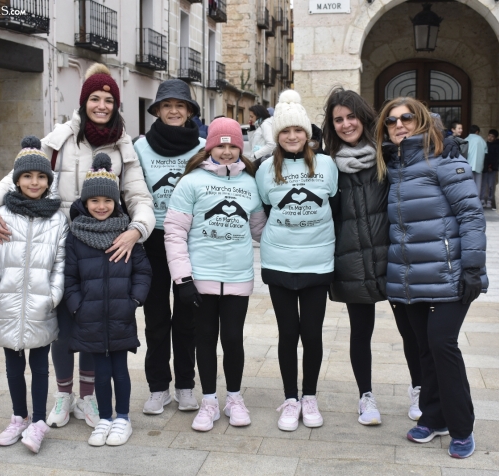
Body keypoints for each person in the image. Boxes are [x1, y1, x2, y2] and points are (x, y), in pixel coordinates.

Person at [0, 63, 154, 429]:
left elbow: (139, 196)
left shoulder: (125, 146)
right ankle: (63, 395)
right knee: (60, 324)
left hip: (101, 247)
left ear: (116, 104)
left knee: (89, 325)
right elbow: (19, 173)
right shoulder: (59, 138)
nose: (102, 105)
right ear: (83, 101)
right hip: (58, 241)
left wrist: (137, 230)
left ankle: (88, 397)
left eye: (109, 99)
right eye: (95, 98)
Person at [376, 97, 488, 459]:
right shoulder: (392, 166)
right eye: (391, 121)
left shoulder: (445, 160)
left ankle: (461, 426)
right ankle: (433, 417)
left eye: (407, 118)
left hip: (448, 275)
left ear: (422, 121)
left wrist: (472, 268)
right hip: (408, 278)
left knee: (442, 346)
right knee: (424, 350)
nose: (399, 125)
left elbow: (471, 215)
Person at [321, 88, 422, 426]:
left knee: (411, 330)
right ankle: (366, 397)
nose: (346, 124)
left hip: (393, 257)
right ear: (331, 125)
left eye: (351, 116)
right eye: (338, 119)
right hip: (350, 259)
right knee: (360, 331)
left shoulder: (387, 155)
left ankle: (419, 388)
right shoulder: (326, 166)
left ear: (363, 118)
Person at [164, 118, 267, 431]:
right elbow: (174, 231)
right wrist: (182, 279)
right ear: (209, 146)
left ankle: (234, 398)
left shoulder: (250, 182)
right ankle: (208, 400)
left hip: (237, 277)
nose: (226, 151)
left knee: (233, 339)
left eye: (232, 145)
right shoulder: (191, 181)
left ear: (240, 147)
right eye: (220, 145)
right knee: (205, 339)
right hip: (200, 278)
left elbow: (260, 229)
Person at [0, 136, 69, 454]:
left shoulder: (57, 219)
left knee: (41, 365)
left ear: (49, 180)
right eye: (28, 176)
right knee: (13, 363)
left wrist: (53, 295)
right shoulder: (2, 214)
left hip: (42, 304)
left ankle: (40, 421)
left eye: (41, 176)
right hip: (7, 303)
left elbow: (61, 263)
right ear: (16, 179)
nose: (34, 182)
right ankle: (19, 416)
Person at [256, 90, 338, 432]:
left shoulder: (327, 165)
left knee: (313, 334)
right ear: (277, 136)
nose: (292, 136)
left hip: (318, 262)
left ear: (308, 134)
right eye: (285, 131)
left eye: (298, 130)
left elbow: (336, 203)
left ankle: (310, 396)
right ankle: (291, 398)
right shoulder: (264, 170)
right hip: (279, 262)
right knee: (288, 333)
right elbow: (261, 211)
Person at [64, 155, 152, 447]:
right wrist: (76, 304)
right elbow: (69, 276)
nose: (101, 206)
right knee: (99, 373)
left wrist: (134, 301)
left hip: (120, 315)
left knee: (119, 371)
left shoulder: (127, 234)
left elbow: (142, 271)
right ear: (85, 203)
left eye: (107, 200)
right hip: (88, 317)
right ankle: (104, 418)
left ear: (117, 202)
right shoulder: (76, 236)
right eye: (94, 201)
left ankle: (123, 418)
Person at [134, 79, 206, 414]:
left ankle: (186, 386)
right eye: (167, 105)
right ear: (157, 111)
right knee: (156, 317)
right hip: (152, 242)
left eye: (180, 105)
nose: (174, 111)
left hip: (191, 243)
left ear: (190, 111)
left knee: (188, 318)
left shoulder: (204, 148)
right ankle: (158, 387)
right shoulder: (140, 148)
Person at [465, 125, 487, 200]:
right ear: (477, 132)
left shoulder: (466, 140)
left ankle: (470, 200)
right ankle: (477, 200)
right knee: (478, 184)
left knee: (469, 184)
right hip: (479, 165)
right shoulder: (481, 140)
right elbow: (485, 152)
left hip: (468, 164)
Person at [481, 129, 499, 209]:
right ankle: (482, 199)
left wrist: (491, 166)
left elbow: (495, 158)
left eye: (492, 137)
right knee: (483, 184)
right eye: (489, 136)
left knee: (491, 185)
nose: (490, 138)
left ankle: (489, 200)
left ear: (495, 138)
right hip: (485, 168)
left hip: (492, 168)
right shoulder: (485, 144)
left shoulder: (496, 146)